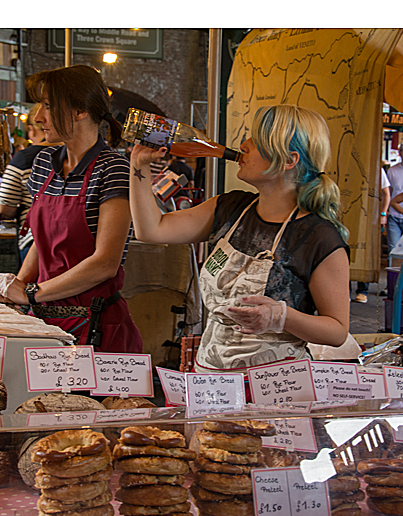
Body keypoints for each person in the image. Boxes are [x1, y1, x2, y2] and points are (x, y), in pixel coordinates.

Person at [128, 104, 350, 376]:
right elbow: (151, 230)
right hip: (210, 379)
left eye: (256, 141)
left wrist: (281, 317)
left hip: (276, 387)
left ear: (289, 160)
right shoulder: (230, 208)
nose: (243, 145)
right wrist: (139, 166)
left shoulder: (318, 237)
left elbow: (337, 331)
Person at [0, 65, 142, 353]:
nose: (38, 117)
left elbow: (105, 263)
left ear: (80, 111)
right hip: (44, 322)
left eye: (48, 106)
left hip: (95, 327)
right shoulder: (43, 162)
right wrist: (16, 287)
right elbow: (42, 243)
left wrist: (31, 293)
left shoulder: (112, 169)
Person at [0, 104, 53, 266]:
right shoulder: (76, 155)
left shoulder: (26, 158)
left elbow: (4, 206)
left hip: (34, 238)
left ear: (32, 129)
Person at [352, 167, 390, 303]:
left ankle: (363, 290)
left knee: (365, 252)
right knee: (347, 250)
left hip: (369, 216)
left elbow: (386, 193)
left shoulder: (375, 167)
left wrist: (383, 213)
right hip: (350, 212)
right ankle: (345, 290)